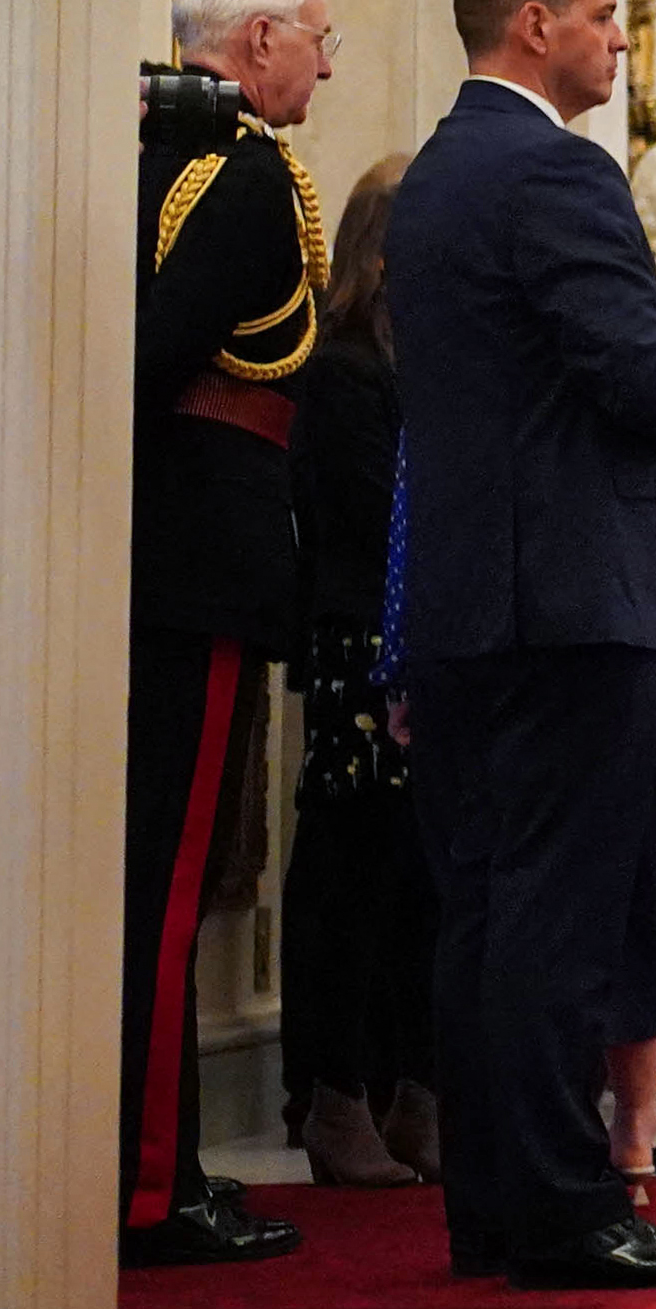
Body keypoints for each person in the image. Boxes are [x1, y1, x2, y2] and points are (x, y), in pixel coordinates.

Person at [390, 0, 656, 1292]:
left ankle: (497, 1206)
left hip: (473, 602)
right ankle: (564, 1209)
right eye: (604, 15)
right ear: (532, 24)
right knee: (558, 915)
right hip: (581, 603)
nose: (620, 39)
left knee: (487, 913)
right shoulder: (558, 172)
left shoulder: (433, 176)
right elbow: (638, 388)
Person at [122, 0, 339, 1266]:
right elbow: (149, 358)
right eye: (317, 35)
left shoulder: (158, 148)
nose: (326, 58)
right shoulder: (244, 173)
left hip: (156, 553)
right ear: (256, 43)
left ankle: (159, 1165)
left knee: (156, 876)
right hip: (195, 554)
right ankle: (153, 1185)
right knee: (164, 880)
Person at [282, 150, 439, 1190]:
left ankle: (412, 1089)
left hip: (416, 642)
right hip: (361, 648)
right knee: (351, 875)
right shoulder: (343, 368)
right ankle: (335, 1094)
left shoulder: (411, 362)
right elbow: (375, 518)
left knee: (419, 880)